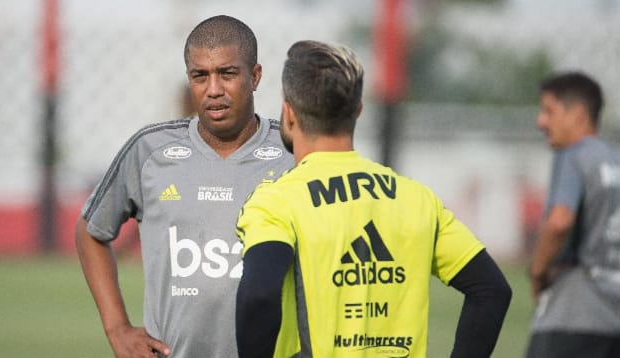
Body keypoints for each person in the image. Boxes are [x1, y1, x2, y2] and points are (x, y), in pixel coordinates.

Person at [235, 40, 512, 358]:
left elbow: (259, 293)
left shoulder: (277, 202)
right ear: (358, 111)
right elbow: (492, 290)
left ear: (288, 112)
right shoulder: (416, 199)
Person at [75, 15, 294, 358]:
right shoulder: (150, 150)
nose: (214, 89)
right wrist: (117, 328)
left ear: (254, 76)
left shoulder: (292, 151)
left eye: (228, 73)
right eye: (200, 76)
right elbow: (91, 230)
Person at [526, 71, 620, 357]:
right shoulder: (614, 159)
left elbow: (559, 222)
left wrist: (538, 273)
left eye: (549, 111)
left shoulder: (573, 155)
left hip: (573, 314)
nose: (540, 122)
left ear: (578, 114)